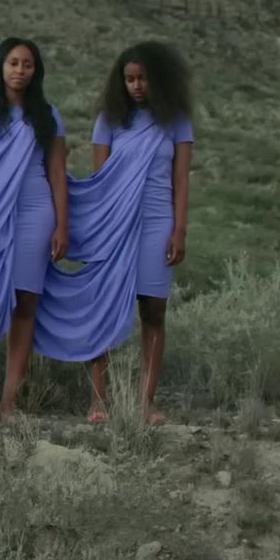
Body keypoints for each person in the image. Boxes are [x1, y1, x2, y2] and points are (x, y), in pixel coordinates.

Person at [0, 37, 68, 424]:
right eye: (14, 63)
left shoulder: (48, 115)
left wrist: (62, 226)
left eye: (28, 65)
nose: (20, 71)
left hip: (36, 213)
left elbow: (57, 174)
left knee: (24, 305)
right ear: (1, 66)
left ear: (37, 71)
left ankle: (10, 401)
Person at [85, 42, 194, 425]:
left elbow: (180, 180)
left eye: (142, 78)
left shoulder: (176, 121)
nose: (135, 86)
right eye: (129, 79)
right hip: (116, 224)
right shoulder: (109, 120)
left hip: (157, 223)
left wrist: (179, 230)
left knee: (153, 310)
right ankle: (98, 400)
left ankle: (145, 401)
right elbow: (99, 182)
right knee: (107, 308)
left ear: (158, 80)